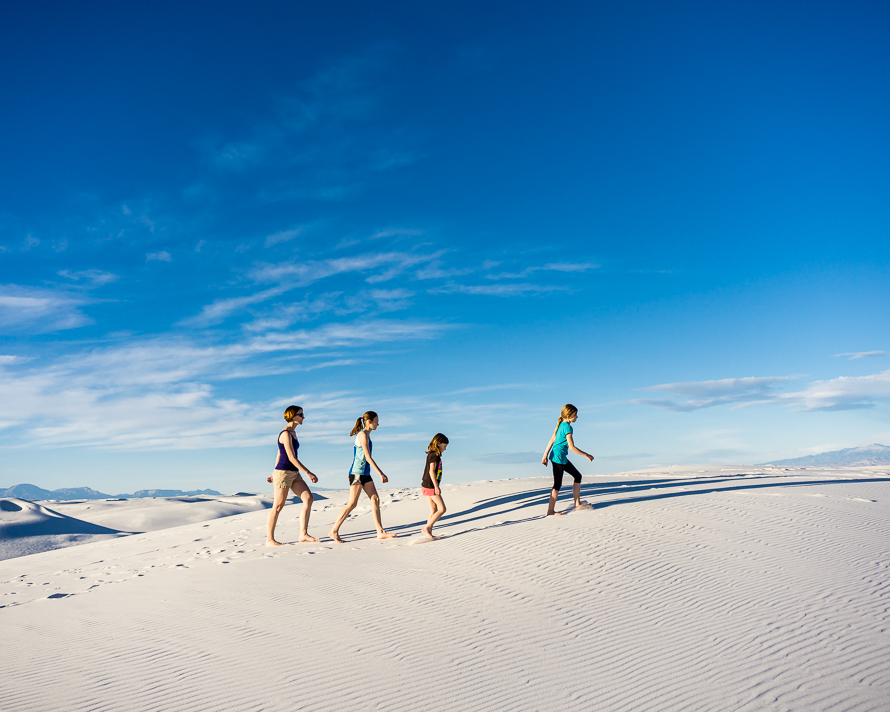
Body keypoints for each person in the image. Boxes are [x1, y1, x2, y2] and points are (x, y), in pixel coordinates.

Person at [329, 411, 397, 542]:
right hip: (357, 473)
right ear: (369, 421)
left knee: (375, 499)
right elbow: (367, 457)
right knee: (352, 503)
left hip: (365, 473)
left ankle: (380, 531)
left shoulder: (367, 435)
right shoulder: (362, 435)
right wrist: (381, 473)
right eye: (376, 421)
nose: (378, 423)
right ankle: (333, 530)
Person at [265, 405, 319, 546]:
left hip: (293, 473)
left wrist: (272, 472)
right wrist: (308, 472)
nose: (303, 417)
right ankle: (269, 539)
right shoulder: (285, 434)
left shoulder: (293, 433)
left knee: (308, 498)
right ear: (293, 416)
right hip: (283, 473)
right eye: (301, 414)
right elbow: (291, 457)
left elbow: (279, 453)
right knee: (277, 506)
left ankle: (303, 534)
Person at [541, 403, 594, 516]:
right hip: (558, 458)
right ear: (569, 416)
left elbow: (551, 440)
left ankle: (577, 504)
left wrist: (545, 455)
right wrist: (586, 455)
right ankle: (550, 511)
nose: (577, 417)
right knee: (557, 485)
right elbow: (571, 447)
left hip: (560, 457)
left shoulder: (561, 425)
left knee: (577, 476)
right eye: (575, 415)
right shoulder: (567, 427)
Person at [420, 433, 449, 539]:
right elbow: (431, 471)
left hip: (426, 484)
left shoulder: (431, 454)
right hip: (430, 485)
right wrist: (436, 486)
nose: (445, 449)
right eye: (444, 446)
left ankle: (429, 533)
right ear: (438, 443)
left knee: (433, 509)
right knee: (442, 509)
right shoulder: (434, 456)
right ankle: (427, 528)